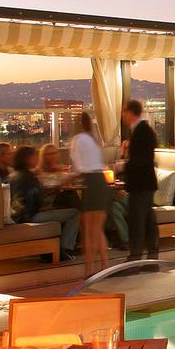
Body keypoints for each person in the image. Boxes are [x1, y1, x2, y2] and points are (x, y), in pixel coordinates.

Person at [8, 145, 79, 261]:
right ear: (27, 159)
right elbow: (36, 198)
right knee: (75, 213)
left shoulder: (15, 175)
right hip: (30, 216)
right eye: (35, 155)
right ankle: (66, 249)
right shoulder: (28, 177)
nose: (37, 158)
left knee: (62, 207)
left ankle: (57, 249)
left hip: (18, 215)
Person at [70, 112, 112, 276]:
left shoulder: (77, 140)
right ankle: (104, 266)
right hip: (101, 182)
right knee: (97, 228)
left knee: (88, 230)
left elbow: (79, 169)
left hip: (90, 183)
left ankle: (88, 270)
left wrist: (64, 179)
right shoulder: (94, 140)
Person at [121, 99, 159, 267]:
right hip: (145, 183)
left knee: (138, 221)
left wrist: (122, 165)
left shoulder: (141, 131)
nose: (122, 115)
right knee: (148, 221)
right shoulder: (142, 130)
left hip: (141, 184)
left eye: (124, 112)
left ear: (130, 112)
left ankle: (135, 259)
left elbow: (140, 160)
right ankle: (152, 260)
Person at [36, 143, 79, 210]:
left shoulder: (57, 167)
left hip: (55, 197)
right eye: (49, 154)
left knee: (70, 194)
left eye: (54, 153)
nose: (53, 156)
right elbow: (49, 184)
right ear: (43, 156)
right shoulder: (39, 170)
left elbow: (65, 180)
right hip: (46, 201)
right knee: (70, 196)